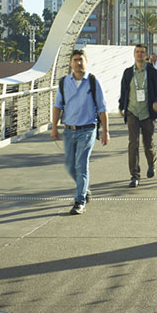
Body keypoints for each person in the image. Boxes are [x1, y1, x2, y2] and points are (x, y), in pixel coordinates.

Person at [51, 49, 109, 214]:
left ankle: (79, 201)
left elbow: (102, 108)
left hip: (88, 129)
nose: (78, 63)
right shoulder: (64, 83)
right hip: (69, 130)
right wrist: (54, 127)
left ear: (86, 62)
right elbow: (57, 106)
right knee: (70, 166)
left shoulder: (93, 81)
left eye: (81, 60)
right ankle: (84, 189)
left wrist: (105, 131)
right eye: (75, 60)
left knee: (81, 164)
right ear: (70, 63)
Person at [119, 43, 157, 187]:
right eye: (137, 52)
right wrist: (122, 107)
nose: (139, 54)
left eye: (142, 52)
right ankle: (134, 175)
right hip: (133, 112)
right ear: (134, 54)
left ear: (146, 55)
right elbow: (123, 92)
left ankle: (151, 163)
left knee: (148, 144)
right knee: (133, 144)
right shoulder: (127, 73)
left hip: (147, 113)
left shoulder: (151, 72)